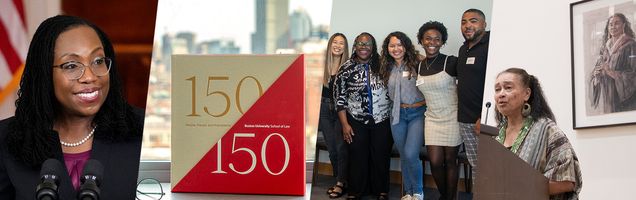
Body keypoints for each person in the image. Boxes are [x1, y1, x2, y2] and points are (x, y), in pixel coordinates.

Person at [0, 15, 144, 199]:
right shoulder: (4, 140)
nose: (90, 76)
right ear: (44, 73)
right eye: (71, 65)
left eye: (98, 61)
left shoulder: (143, 131)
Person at [493, 68, 583, 199]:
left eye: (508, 88)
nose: (501, 94)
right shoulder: (495, 134)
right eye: (497, 89)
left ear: (527, 94)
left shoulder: (547, 130)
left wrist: (518, 189)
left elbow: (567, 181)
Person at [334, 32, 393, 200]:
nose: (363, 47)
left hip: (382, 118)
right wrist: (345, 125)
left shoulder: (383, 65)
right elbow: (340, 98)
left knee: (380, 154)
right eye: (360, 43)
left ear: (373, 47)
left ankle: (381, 190)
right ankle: (356, 191)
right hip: (355, 120)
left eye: (367, 44)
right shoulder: (346, 68)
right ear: (355, 46)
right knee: (357, 155)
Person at [416, 21, 462, 200]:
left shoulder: (450, 62)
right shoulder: (418, 66)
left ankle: (449, 198)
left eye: (437, 39)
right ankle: (446, 196)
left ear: (442, 42)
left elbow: (468, 84)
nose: (432, 42)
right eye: (428, 38)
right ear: (421, 40)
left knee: (450, 161)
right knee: (435, 162)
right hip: (432, 119)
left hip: (452, 118)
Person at [380, 31, 425, 200]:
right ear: (388, 48)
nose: (396, 49)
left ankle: (418, 192)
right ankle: (408, 192)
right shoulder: (386, 66)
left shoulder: (418, 61)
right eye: (392, 45)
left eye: (399, 45)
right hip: (396, 114)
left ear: (405, 46)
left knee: (411, 153)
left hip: (417, 113)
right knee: (403, 154)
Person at [456, 8, 490, 181]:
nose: (467, 25)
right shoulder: (463, 50)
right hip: (464, 119)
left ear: (484, 24)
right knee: (476, 167)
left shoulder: (492, 45)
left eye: (473, 21)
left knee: (490, 167)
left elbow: (495, 83)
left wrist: (483, 116)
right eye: (464, 22)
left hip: (483, 120)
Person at [319, 33, 350, 198]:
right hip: (323, 109)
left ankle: (340, 183)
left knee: (341, 148)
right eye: (335, 42)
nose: (338, 46)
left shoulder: (348, 66)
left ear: (345, 48)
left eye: (342, 44)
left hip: (341, 110)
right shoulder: (321, 64)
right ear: (330, 44)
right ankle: (340, 181)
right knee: (332, 149)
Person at [589, 13, 636, 114]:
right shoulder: (604, 48)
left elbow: (633, 75)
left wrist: (610, 72)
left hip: (624, 102)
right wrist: (596, 76)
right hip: (607, 99)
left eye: (616, 23)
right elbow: (596, 71)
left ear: (624, 25)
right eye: (610, 24)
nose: (613, 27)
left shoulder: (631, 45)